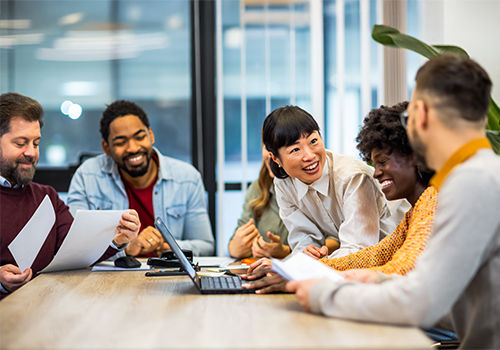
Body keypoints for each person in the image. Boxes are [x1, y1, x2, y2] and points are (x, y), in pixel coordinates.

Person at [287, 55, 500, 349]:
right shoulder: (481, 174)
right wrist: (374, 282)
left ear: (420, 115)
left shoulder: (471, 183)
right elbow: (443, 293)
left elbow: (422, 302)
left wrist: (324, 295)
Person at [243, 102, 437, 293]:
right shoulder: (413, 216)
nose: (375, 174)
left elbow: (399, 268)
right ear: (275, 158)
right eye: (295, 149)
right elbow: (374, 256)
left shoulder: (429, 206)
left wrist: (305, 275)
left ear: (414, 157)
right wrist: (296, 270)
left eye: (382, 163)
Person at [0, 92, 140, 298]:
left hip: (43, 310)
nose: (31, 152)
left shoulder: (46, 197)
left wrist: (116, 240)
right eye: (21, 143)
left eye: (36, 143)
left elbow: (77, 252)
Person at [67, 100, 214, 257]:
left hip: (166, 276)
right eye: (120, 142)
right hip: (111, 278)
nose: (133, 148)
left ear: (151, 135)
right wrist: (126, 249)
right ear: (106, 148)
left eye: (139, 137)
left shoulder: (187, 178)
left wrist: (166, 247)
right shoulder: (87, 176)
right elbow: (74, 247)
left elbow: (205, 246)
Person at [262, 105, 406, 259]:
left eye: (314, 141)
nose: (310, 155)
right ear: (275, 158)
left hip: (404, 251)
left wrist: (318, 265)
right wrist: (308, 255)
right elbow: (303, 240)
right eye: (295, 150)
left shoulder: (352, 177)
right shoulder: (284, 184)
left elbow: (358, 250)